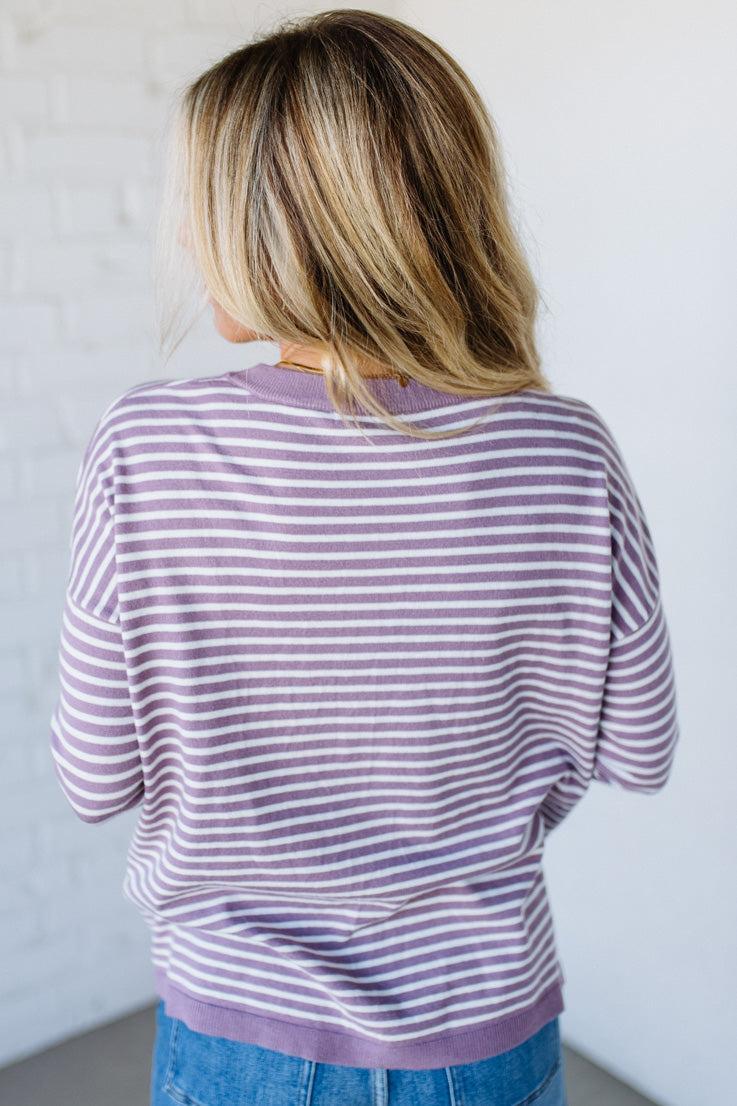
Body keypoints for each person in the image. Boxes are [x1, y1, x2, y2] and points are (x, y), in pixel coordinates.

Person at [48, 10, 679, 1106]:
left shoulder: (146, 446)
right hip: (487, 1033)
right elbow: (640, 749)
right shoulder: (564, 449)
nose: (189, 241)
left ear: (275, 228)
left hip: (238, 1039)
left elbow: (93, 779)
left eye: (203, 207)